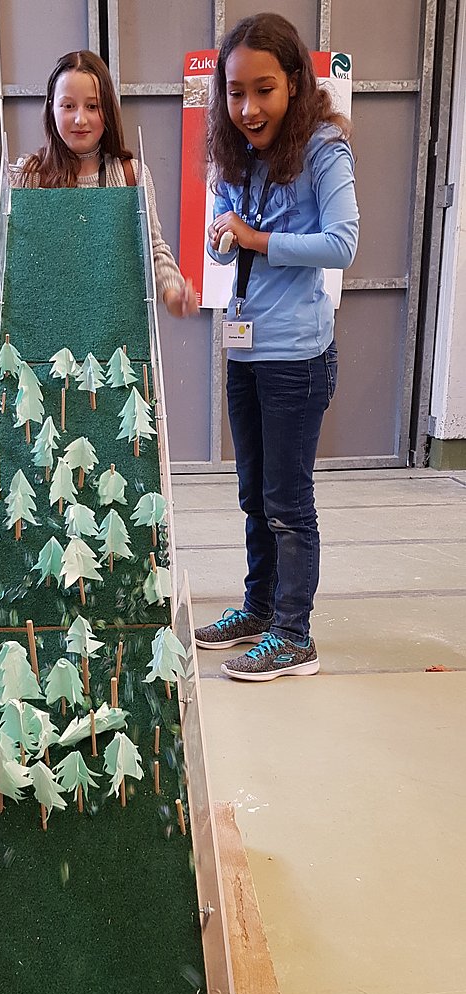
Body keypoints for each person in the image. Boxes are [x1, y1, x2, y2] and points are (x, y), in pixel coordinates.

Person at [194, 14, 359, 681]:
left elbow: (342, 243)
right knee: (254, 497)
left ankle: (294, 636)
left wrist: (255, 239)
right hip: (245, 349)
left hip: (297, 357)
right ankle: (259, 609)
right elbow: (227, 234)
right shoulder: (238, 152)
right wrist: (222, 236)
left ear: (294, 82)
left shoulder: (323, 149)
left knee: (288, 503)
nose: (248, 108)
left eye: (263, 90)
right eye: (235, 93)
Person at [0, 50, 197, 319]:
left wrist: (172, 294)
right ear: (51, 108)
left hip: (116, 339)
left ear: (108, 110)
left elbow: (152, 247)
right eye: (68, 106)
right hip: (41, 346)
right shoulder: (29, 176)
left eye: (92, 106)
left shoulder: (132, 176)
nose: (80, 119)